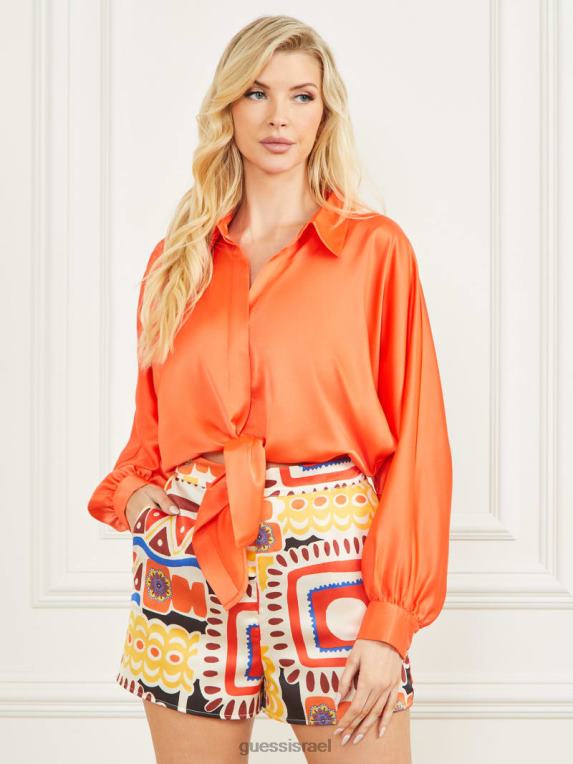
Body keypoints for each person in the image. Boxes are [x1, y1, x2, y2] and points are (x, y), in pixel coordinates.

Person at [87, 14, 452, 763]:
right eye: (256, 93)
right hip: (190, 554)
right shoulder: (176, 260)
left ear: (325, 113)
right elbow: (150, 430)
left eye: (300, 95)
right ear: (228, 106)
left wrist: (391, 620)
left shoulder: (374, 251)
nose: (278, 116)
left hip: (331, 561)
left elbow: (417, 440)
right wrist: (139, 498)